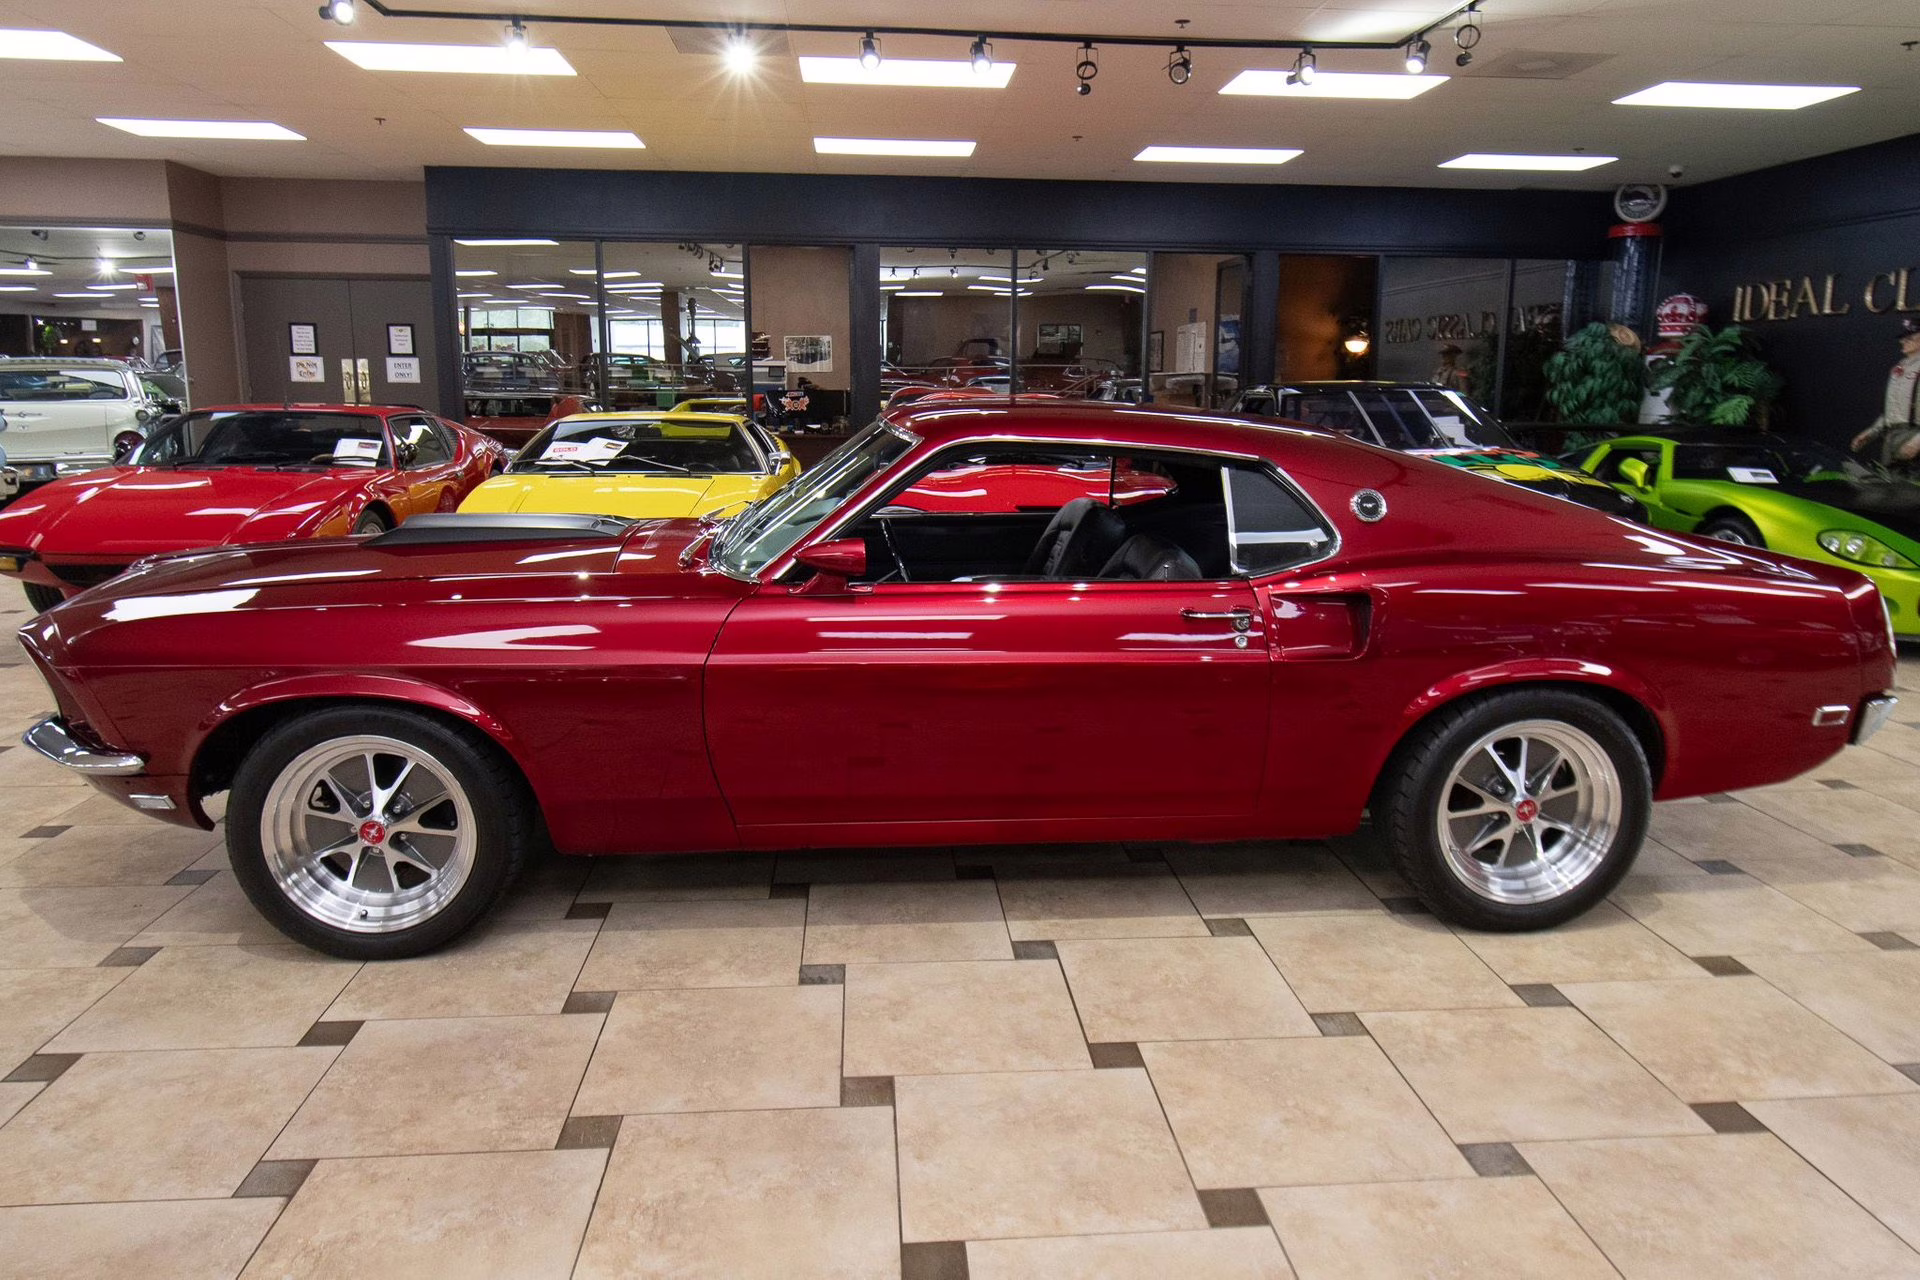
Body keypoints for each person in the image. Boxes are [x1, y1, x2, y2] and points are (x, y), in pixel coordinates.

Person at [1853, 318, 1920, 470]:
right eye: (1903, 338)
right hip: (1892, 438)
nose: (1903, 341)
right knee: (1890, 485)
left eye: (1910, 337)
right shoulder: (1899, 368)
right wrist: (1871, 432)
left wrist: (1917, 442)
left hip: (1913, 435)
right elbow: (1893, 411)